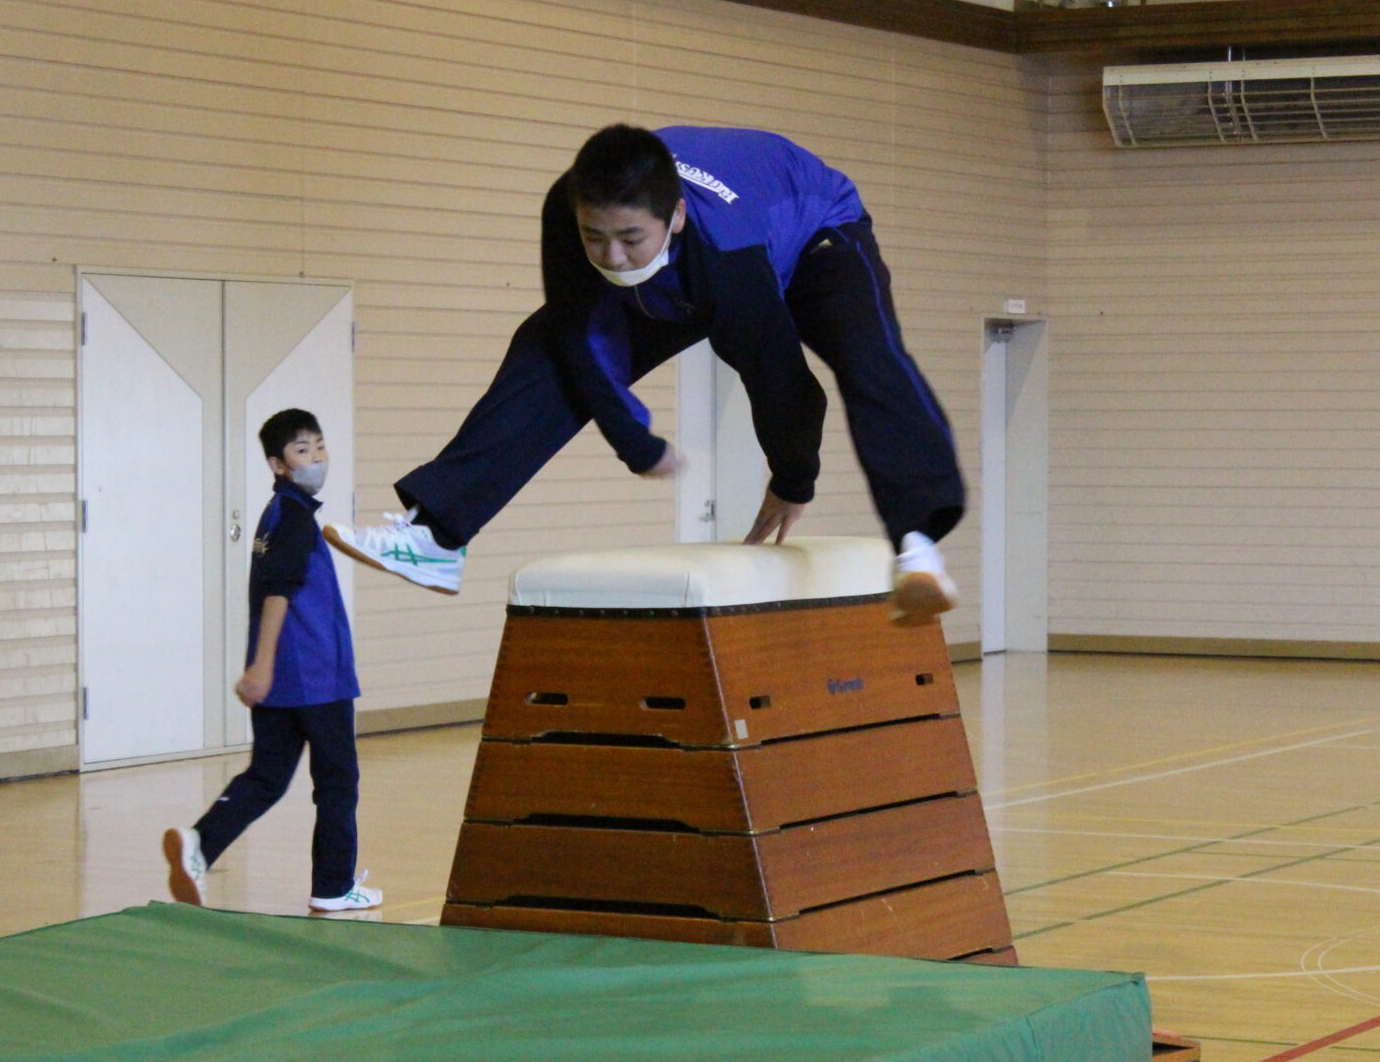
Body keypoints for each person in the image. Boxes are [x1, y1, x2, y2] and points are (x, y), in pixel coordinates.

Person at [326, 124, 963, 625]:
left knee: (870, 358)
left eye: (630, 237)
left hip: (815, 232)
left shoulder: (732, 261)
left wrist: (795, 479)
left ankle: (919, 543)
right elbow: (580, 339)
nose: (610, 255)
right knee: (544, 345)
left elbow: (783, 381)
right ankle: (435, 537)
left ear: (676, 216)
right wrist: (636, 441)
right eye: (595, 237)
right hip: (690, 268)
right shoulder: (568, 210)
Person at [163, 409, 382, 915]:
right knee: (337, 782)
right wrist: (261, 666)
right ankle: (333, 886)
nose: (317, 458)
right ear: (277, 464)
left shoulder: (275, 515)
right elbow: (278, 594)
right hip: (315, 680)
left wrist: (264, 669)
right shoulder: (296, 521)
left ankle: (199, 845)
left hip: (282, 683)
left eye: (320, 446)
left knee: (266, 776)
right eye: (302, 451)